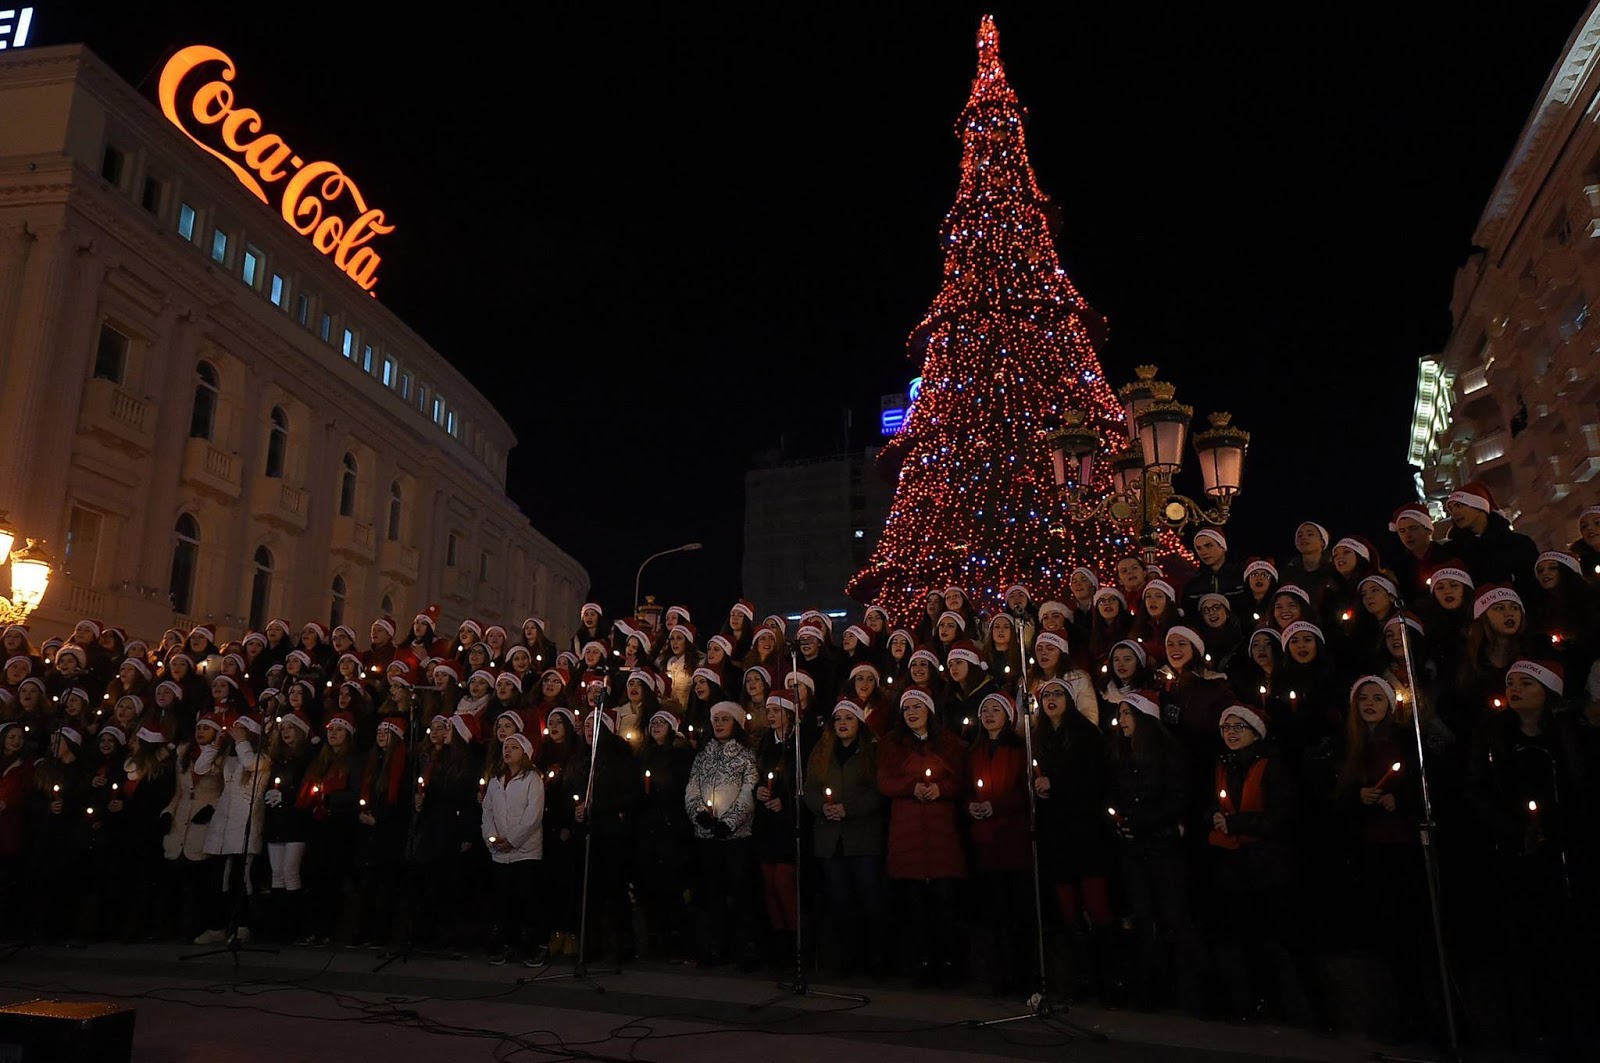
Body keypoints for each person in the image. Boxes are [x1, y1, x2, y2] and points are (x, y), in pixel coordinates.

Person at [1207, 704, 1329, 1030]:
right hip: (1238, 867)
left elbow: (1281, 816)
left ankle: (1318, 1011)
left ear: (1255, 731)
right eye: (1226, 727)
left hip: (1272, 865)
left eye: (1238, 727)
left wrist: (1236, 822)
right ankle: (1262, 1002)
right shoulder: (1224, 766)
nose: (1231, 733)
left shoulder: (1273, 766)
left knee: (1292, 939)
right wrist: (1219, 820)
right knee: (1249, 940)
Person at [1107, 690, 1205, 1013]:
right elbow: (1116, 797)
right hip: (1134, 850)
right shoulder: (1121, 755)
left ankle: (1190, 993)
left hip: (1163, 848)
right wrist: (1121, 823)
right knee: (1144, 918)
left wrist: (1143, 822)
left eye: (1126, 714)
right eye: (1119, 714)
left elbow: (1177, 797)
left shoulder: (1169, 755)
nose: (1120, 721)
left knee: (1174, 918)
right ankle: (1151, 990)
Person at [877, 685, 967, 987]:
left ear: (929, 710)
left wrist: (941, 789)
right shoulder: (892, 744)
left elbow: (961, 782)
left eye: (917, 707)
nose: (912, 713)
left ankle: (950, 962)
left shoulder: (949, 744)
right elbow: (884, 781)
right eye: (907, 708)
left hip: (941, 834)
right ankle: (923, 963)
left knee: (945, 903)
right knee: (915, 907)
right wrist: (910, 786)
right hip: (908, 833)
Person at [803, 699, 886, 978]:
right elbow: (810, 788)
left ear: (859, 723)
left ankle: (875, 958)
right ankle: (845, 960)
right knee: (839, 901)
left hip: (862, 837)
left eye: (848, 718)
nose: (842, 723)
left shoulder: (872, 752)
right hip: (830, 838)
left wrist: (848, 809)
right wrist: (822, 806)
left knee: (869, 899)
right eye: (837, 718)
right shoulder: (822, 751)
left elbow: (877, 792)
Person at [963, 691, 1036, 996]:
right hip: (985, 843)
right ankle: (997, 975)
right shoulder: (973, 751)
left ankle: (1024, 976)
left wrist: (998, 806)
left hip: (1012, 841)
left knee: (1018, 911)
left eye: (996, 709)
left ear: (1009, 715)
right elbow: (966, 788)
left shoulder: (1020, 749)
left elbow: (1025, 790)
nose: (989, 715)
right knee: (993, 913)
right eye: (985, 710)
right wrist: (971, 805)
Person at [684, 701, 759, 969]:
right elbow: (692, 788)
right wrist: (700, 814)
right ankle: (716, 946)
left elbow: (748, 791)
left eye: (725, 719)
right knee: (711, 891)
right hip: (707, 836)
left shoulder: (745, 756)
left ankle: (743, 949)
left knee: (739, 892)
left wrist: (729, 822)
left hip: (736, 837)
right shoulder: (703, 756)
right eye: (716, 719)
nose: (719, 724)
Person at [197, 713, 267, 946]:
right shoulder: (229, 758)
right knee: (219, 879)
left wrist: (241, 740)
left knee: (241, 877)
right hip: (223, 823)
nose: (235, 731)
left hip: (243, 823)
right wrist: (215, 746)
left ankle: (243, 925)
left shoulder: (261, 759)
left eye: (241, 728)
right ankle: (218, 925)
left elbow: (250, 764)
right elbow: (200, 768)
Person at [296, 711, 363, 947]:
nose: (333, 734)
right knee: (314, 876)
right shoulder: (320, 760)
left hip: (339, 826)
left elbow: (356, 794)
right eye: (331, 730)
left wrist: (328, 797)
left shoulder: (353, 761)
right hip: (318, 825)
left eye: (339, 730)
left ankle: (330, 929)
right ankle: (314, 927)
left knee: (333, 878)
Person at [634, 706, 694, 962]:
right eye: (653, 722)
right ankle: (654, 941)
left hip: (670, 827)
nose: (656, 725)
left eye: (662, 722)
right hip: (647, 827)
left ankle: (677, 942)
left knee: (671, 886)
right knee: (650, 886)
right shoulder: (644, 755)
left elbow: (681, 787)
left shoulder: (680, 755)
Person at [481, 732, 546, 966]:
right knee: (502, 899)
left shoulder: (532, 779)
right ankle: (504, 942)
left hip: (525, 851)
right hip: (500, 853)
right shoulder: (496, 780)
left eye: (514, 747)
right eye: (506, 747)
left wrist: (513, 839)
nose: (507, 750)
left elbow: (533, 816)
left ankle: (531, 945)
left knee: (526, 898)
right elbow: (487, 810)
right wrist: (492, 839)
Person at [753, 689, 802, 967]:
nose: (771, 716)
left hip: (787, 822)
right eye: (769, 711)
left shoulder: (798, 743)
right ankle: (779, 941)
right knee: (769, 883)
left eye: (777, 712)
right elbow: (759, 776)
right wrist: (758, 791)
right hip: (767, 823)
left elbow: (801, 780)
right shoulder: (764, 743)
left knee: (784, 882)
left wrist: (786, 802)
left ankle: (796, 941)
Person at [355, 715, 411, 949]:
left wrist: (379, 818)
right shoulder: (373, 761)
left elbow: (400, 799)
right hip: (372, 830)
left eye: (386, 733)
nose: (380, 736)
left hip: (390, 831)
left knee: (387, 885)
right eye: (379, 732)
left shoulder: (401, 763)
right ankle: (364, 932)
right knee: (369, 884)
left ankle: (382, 934)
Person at [1441, 481, 1539, 593]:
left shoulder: (1520, 544)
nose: (1454, 513)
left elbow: (1533, 586)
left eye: (1459, 505)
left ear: (1479, 506)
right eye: (1451, 509)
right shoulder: (1450, 552)